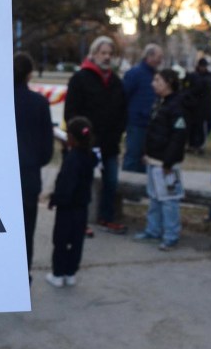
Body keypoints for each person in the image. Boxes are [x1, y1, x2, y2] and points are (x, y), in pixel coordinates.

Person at [64, 36, 127, 234]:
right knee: (82, 185)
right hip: (86, 145)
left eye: (110, 53)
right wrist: (82, 137)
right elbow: (71, 112)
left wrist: (117, 133)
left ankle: (105, 217)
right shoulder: (80, 78)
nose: (107, 57)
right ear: (94, 54)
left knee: (111, 182)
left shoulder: (116, 82)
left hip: (110, 144)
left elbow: (122, 111)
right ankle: (79, 222)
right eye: (103, 53)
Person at [134, 69, 187, 251]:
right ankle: (153, 230)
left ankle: (171, 236)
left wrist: (168, 162)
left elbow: (178, 136)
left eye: (157, 80)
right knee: (155, 198)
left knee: (169, 201)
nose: (153, 83)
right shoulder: (160, 103)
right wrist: (146, 153)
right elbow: (153, 130)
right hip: (154, 160)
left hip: (166, 164)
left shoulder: (177, 106)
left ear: (168, 83)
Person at [13, 52, 54, 278]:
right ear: (29, 75)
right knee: (26, 229)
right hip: (29, 175)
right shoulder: (39, 103)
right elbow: (47, 148)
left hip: (2, 177)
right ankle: (22, 274)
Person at [46, 116, 96, 288]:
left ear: (72, 137)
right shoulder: (89, 156)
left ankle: (58, 273)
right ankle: (71, 272)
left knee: (60, 241)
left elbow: (65, 184)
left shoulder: (72, 159)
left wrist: (54, 199)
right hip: (82, 207)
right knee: (76, 241)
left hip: (66, 208)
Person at [122, 44, 163, 173]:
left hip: (150, 123)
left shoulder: (155, 75)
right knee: (133, 157)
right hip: (136, 123)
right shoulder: (135, 74)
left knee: (145, 160)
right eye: (158, 57)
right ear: (149, 56)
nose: (160, 60)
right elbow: (124, 96)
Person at [185, 57, 211, 155]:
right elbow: (189, 88)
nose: (203, 68)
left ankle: (198, 145)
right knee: (195, 127)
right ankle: (193, 145)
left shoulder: (210, 76)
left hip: (206, 106)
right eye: (202, 66)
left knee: (208, 124)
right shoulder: (193, 75)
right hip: (195, 106)